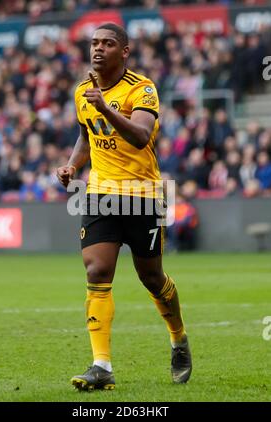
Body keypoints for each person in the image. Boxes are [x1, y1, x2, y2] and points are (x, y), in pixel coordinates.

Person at [57, 23, 192, 391]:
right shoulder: (82, 91)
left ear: (124, 52)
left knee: (152, 278)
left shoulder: (142, 88)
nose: (98, 49)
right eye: (94, 43)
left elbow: (139, 136)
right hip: (101, 193)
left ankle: (178, 338)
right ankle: (102, 366)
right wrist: (73, 164)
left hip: (143, 195)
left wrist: (105, 106)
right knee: (97, 271)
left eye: (108, 43)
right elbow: (87, 134)